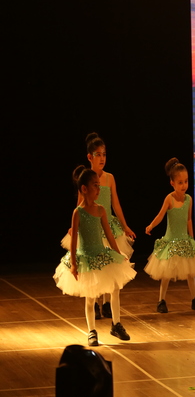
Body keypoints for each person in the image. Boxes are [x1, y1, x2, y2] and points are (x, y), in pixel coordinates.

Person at [54, 166, 135, 346]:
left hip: (101, 254)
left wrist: (118, 253)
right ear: (84, 189)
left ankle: (116, 324)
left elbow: (109, 235)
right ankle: (92, 331)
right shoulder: (78, 212)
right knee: (90, 296)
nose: (99, 189)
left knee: (115, 288)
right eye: (95, 186)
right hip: (86, 257)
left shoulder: (100, 210)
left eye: (99, 185)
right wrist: (74, 264)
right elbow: (74, 240)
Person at [61, 132, 136, 320]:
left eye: (104, 154)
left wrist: (125, 226)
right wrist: (74, 226)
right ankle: (95, 302)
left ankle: (108, 304)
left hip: (108, 225)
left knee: (109, 265)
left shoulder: (110, 178)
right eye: (98, 155)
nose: (102, 158)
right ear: (90, 157)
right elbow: (79, 205)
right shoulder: (86, 179)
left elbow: (115, 204)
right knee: (95, 266)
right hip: (92, 228)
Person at [145, 158, 195, 313]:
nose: (184, 185)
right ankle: (161, 301)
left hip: (185, 241)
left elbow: (188, 219)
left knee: (191, 273)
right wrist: (151, 225)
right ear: (172, 183)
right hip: (171, 242)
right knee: (166, 274)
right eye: (180, 182)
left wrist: (192, 238)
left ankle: (194, 299)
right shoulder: (170, 199)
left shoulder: (189, 199)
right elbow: (160, 215)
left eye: (186, 181)